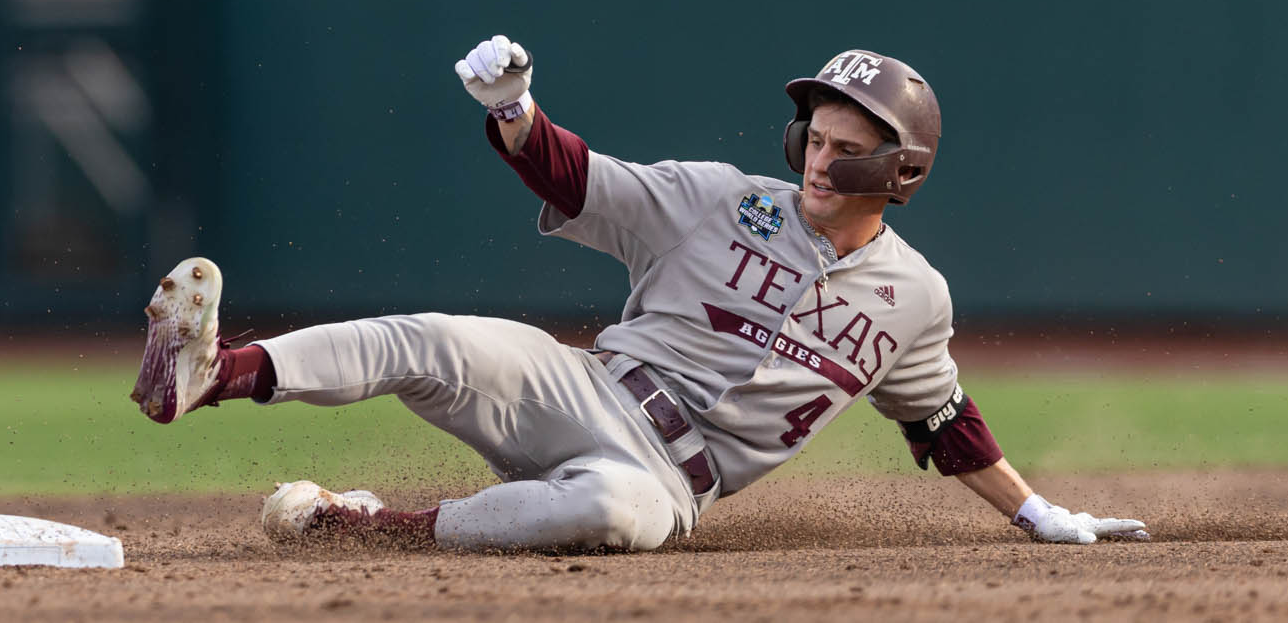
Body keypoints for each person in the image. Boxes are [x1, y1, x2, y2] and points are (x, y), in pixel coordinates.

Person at [131, 36, 1150, 551]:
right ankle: (209, 371)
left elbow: (941, 420)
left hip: (673, 482)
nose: (815, 156)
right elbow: (578, 180)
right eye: (813, 134)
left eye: (845, 148)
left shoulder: (912, 298)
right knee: (435, 336)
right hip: (584, 388)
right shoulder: (720, 197)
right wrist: (517, 115)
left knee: (613, 511)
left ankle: (362, 529)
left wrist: (1037, 515)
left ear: (900, 171)